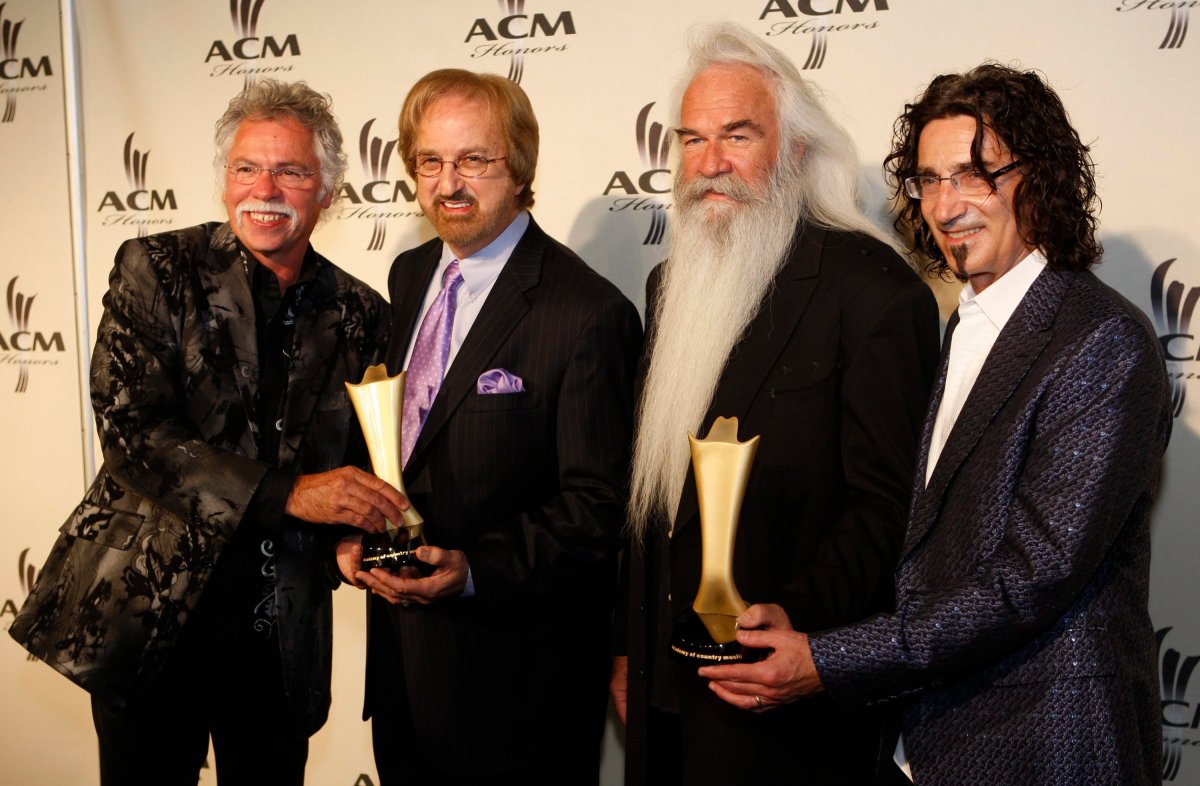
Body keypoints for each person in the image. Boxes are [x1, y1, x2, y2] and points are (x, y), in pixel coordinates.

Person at [700, 63, 1171, 786]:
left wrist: (829, 659)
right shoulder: (965, 323)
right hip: (935, 737)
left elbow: (1028, 581)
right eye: (929, 180)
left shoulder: (1100, 340)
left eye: (975, 175)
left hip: (1049, 747)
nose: (947, 206)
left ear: (1038, 177)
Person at [9, 80, 403, 785]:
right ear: (225, 181)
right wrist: (292, 494)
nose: (265, 188)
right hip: (151, 626)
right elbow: (135, 433)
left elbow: (355, 463)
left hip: (278, 641)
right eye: (246, 168)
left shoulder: (361, 311)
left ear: (330, 193)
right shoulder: (158, 269)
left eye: (291, 171)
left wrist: (352, 536)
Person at [615, 22, 941, 786]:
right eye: (692, 141)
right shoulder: (668, 286)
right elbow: (654, 502)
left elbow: (888, 507)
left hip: (786, 702)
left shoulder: (874, 291)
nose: (709, 164)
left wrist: (796, 624)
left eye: (737, 136)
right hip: (664, 699)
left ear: (794, 151)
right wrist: (627, 647)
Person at [334, 68, 642, 785]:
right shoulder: (410, 276)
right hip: (403, 674)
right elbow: (399, 446)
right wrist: (350, 532)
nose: (450, 184)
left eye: (475, 159)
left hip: (518, 692)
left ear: (520, 168)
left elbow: (597, 509)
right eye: (431, 162)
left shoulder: (586, 313)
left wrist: (475, 572)